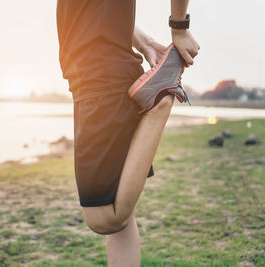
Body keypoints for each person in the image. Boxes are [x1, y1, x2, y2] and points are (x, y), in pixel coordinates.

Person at [56, 0, 200, 266]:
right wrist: (145, 42)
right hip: (104, 70)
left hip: (98, 76)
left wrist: (179, 26)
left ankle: (161, 98)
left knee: (104, 218)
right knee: (122, 213)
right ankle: (160, 92)